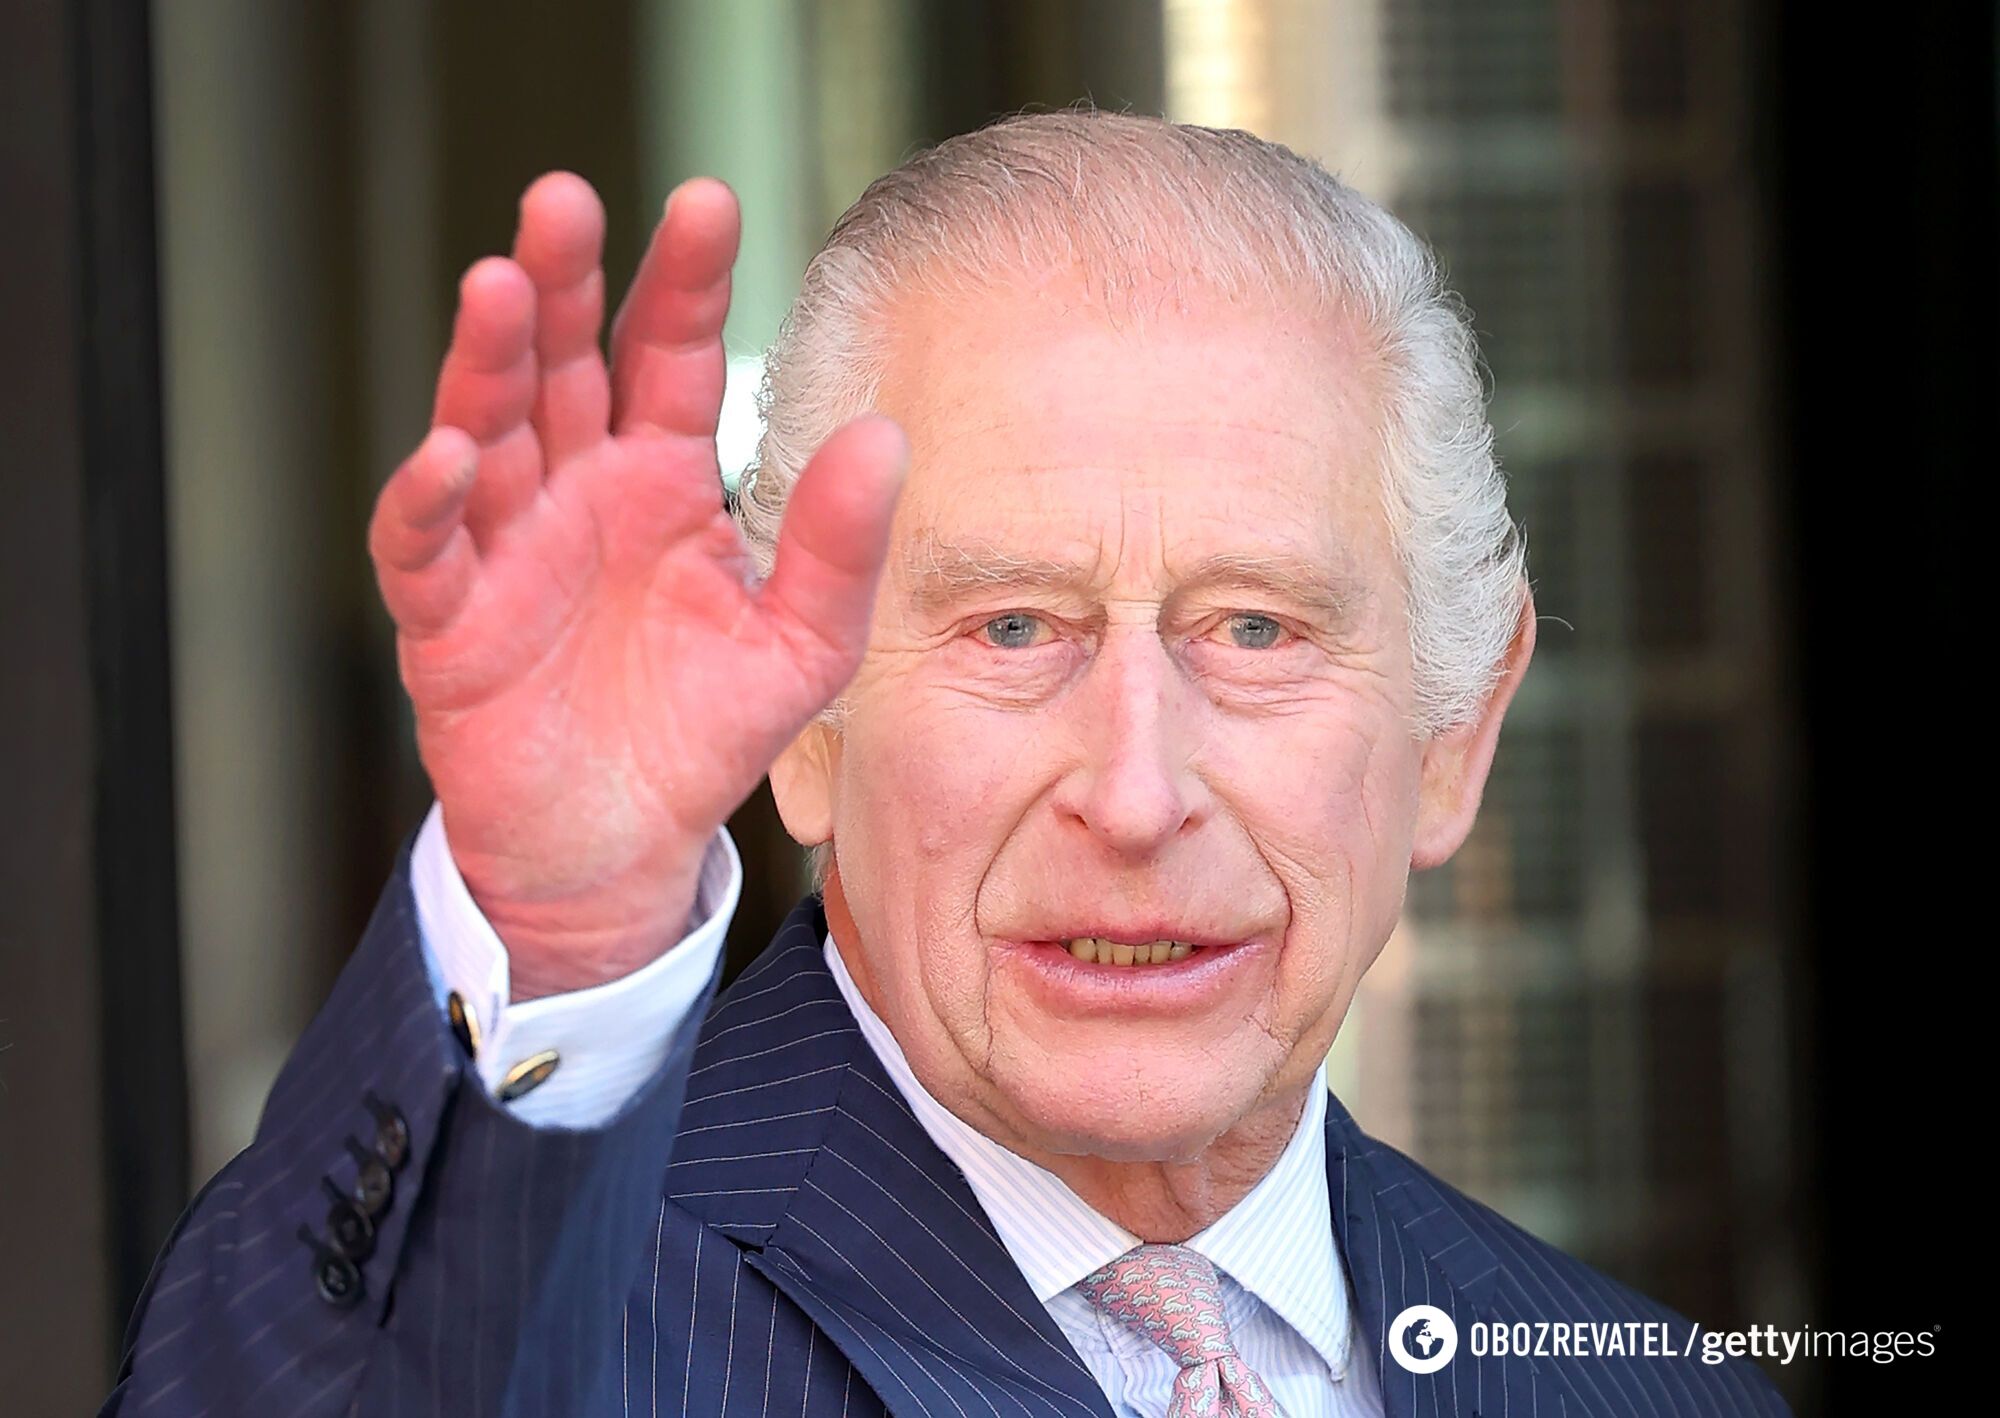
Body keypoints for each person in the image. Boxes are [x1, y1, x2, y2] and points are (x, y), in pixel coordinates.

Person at [104, 111, 1788, 1417]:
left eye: (1256, 629)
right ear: (807, 727)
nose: (1134, 793)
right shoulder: (535, 1318)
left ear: (1455, 731)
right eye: (1012, 628)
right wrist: (552, 929)